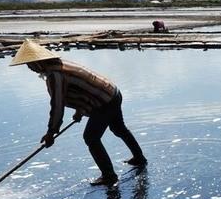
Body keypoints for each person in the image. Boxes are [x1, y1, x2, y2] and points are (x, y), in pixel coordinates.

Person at [11, 39, 147, 187]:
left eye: (30, 64)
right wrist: (80, 110)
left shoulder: (55, 75)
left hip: (104, 101)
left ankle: (109, 176)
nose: (30, 68)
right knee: (118, 128)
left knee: (91, 137)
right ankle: (139, 158)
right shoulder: (61, 65)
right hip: (112, 93)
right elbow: (80, 89)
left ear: (38, 62)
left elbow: (57, 105)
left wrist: (51, 132)